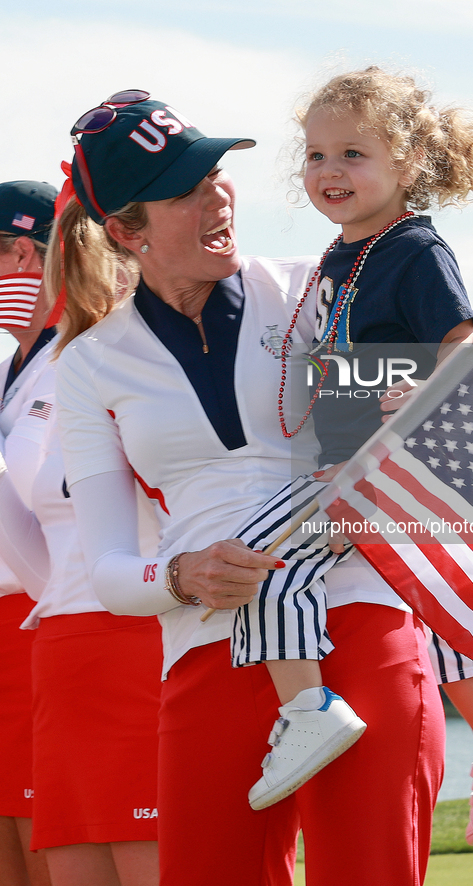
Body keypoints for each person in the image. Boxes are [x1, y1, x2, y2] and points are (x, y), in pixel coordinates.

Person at [51, 90, 445, 886]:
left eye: (217, 173)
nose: (218, 194)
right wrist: (181, 574)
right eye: (186, 189)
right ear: (127, 232)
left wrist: (428, 390)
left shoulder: (319, 286)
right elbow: (110, 573)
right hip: (204, 642)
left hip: (359, 612)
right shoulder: (89, 365)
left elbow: (426, 424)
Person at [282, 66, 473, 846]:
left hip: (388, 462)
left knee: (279, 571)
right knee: (431, 606)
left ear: (405, 164)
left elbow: (460, 345)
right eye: (314, 156)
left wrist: (423, 398)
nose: (329, 172)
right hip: (354, 459)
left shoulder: (412, 247)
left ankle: (307, 709)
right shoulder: (340, 256)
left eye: (352, 154)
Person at [0, 180, 161, 886]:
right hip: (59, 634)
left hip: (130, 627)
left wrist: (72, 593)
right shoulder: (31, 363)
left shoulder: (123, 352)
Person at [0, 181, 55, 886]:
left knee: (55, 854)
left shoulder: (80, 354)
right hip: (11, 632)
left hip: (49, 621)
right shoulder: (12, 364)